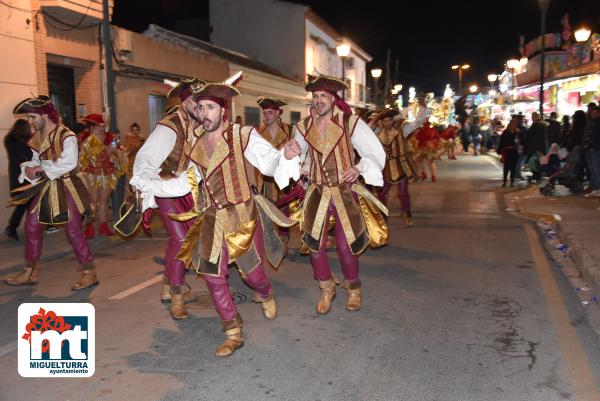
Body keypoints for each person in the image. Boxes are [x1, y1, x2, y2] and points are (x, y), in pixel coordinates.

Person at [157, 73, 300, 357]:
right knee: (212, 275)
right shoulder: (194, 142)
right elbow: (190, 179)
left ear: (223, 110)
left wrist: (284, 155)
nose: (203, 113)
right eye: (199, 108)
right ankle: (232, 331)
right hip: (211, 216)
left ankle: (266, 291)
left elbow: (270, 163)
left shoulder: (242, 135)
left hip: (242, 214)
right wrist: (152, 186)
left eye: (210, 107)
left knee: (253, 274)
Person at [292, 74, 388, 315]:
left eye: (323, 96)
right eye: (315, 96)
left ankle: (353, 288)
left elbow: (375, 153)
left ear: (333, 99)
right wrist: (294, 158)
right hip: (317, 192)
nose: (318, 101)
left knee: (346, 248)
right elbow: (298, 155)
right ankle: (326, 288)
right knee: (314, 246)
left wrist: (359, 168)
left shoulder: (350, 122)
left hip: (344, 192)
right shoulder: (303, 127)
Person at [4, 96, 97, 290]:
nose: (30, 122)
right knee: (31, 226)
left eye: (32, 117)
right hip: (47, 185)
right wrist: (30, 168)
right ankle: (30, 271)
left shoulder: (67, 135)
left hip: (66, 185)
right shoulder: (38, 136)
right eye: (28, 118)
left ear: (44, 115)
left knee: (73, 230)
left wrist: (41, 170)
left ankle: (89, 272)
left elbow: (69, 162)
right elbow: (38, 160)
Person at [130, 78, 204, 320]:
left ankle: (167, 284)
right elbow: (145, 160)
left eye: (202, 101)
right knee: (181, 240)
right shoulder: (169, 127)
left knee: (184, 239)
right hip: (164, 188)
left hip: (186, 190)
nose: (199, 105)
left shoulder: (201, 127)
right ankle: (176, 295)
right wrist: (146, 186)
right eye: (195, 100)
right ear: (183, 102)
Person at [255, 97, 295, 252]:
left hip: (283, 179)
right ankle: (271, 242)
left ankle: (284, 242)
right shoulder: (258, 132)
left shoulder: (289, 130)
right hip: (263, 179)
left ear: (278, 113)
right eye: (264, 113)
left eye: (270, 113)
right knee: (265, 212)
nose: (267, 116)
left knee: (283, 210)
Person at [78, 114, 127, 238]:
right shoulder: (87, 139)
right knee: (92, 202)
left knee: (104, 201)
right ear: (94, 126)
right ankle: (89, 228)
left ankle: (103, 226)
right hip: (91, 174)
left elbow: (118, 151)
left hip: (107, 174)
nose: (101, 126)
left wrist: (115, 153)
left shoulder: (110, 138)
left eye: (101, 124)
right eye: (98, 124)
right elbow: (82, 158)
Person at [4, 119, 32, 241]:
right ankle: (12, 227)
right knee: (26, 203)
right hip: (23, 177)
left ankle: (14, 227)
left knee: (27, 203)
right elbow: (29, 157)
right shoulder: (22, 144)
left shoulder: (10, 142)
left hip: (17, 176)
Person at [497, 117, 520, 187]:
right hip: (507, 152)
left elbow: (522, 141)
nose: (514, 125)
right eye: (513, 124)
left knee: (513, 167)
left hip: (514, 152)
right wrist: (500, 150)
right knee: (506, 167)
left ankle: (512, 181)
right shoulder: (505, 132)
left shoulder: (518, 132)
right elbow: (501, 142)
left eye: (515, 124)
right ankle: (504, 181)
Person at [583, 106, 600, 198]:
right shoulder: (591, 123)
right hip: (589, 149)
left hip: (595, 150)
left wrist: (595, 147)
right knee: (592, 170)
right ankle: (595, 188)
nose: (594, 115)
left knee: (596, 169)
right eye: (592, 113)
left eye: (596, 113)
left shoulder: (597, 123)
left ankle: (598, 188)